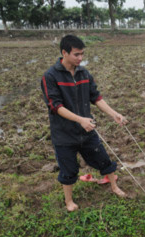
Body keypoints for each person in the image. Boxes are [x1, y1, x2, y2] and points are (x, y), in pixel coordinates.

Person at [41, 35, 128, 212]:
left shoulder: (84, 73)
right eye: (76, 54)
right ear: (64, 53)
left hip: (87, 131)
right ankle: (69, 201)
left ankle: (114, 187)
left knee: (104, 160)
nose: (80, 58)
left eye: (82, 54)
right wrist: (80, 120)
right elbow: (55, 106)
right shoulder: (50, 76)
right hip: (64, 134)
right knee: (69, 169)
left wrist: (114, 114)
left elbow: (95, 97)